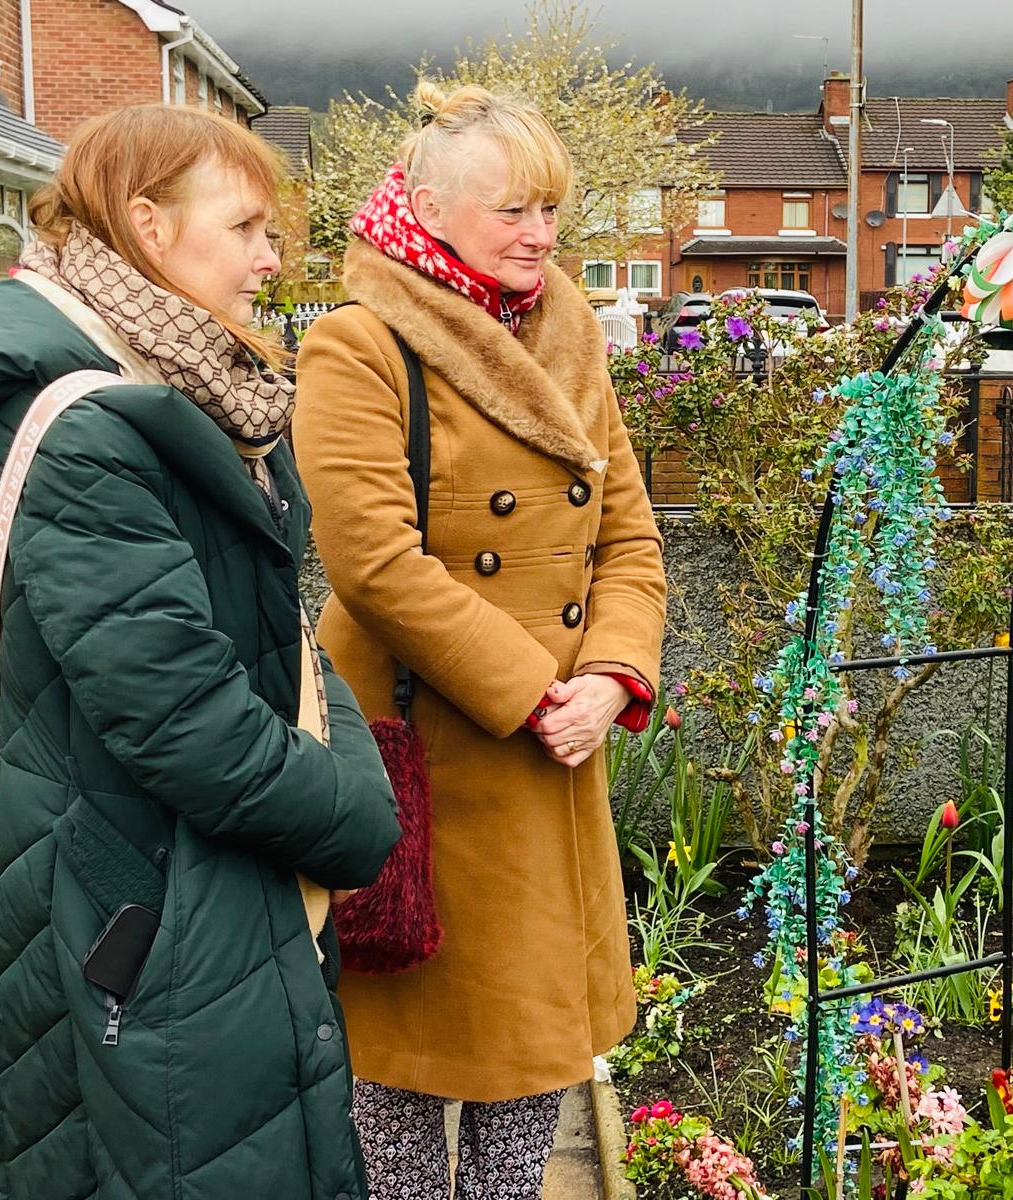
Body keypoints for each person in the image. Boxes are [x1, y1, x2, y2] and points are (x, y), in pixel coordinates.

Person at [0, 105, 400, 1200]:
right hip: (144, 903)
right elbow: (188, 722)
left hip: (170, 882)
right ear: (148, 224)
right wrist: (359, 820)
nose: (271, 258)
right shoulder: (84, 428)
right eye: (246, 227)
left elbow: (264, 638)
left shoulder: (175, 390)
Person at [293, 80, 666, 1198]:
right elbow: (373, 563)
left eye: (550, 209)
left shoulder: (567, 334)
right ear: (426, 207)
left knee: (532, 1051)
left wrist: (612, 675)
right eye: (513, 210)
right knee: (401, 1064)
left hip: (555, 748)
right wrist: (536, 690)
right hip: (429, 747)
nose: (541, 234)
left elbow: (629, 536)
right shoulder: (358, 344)